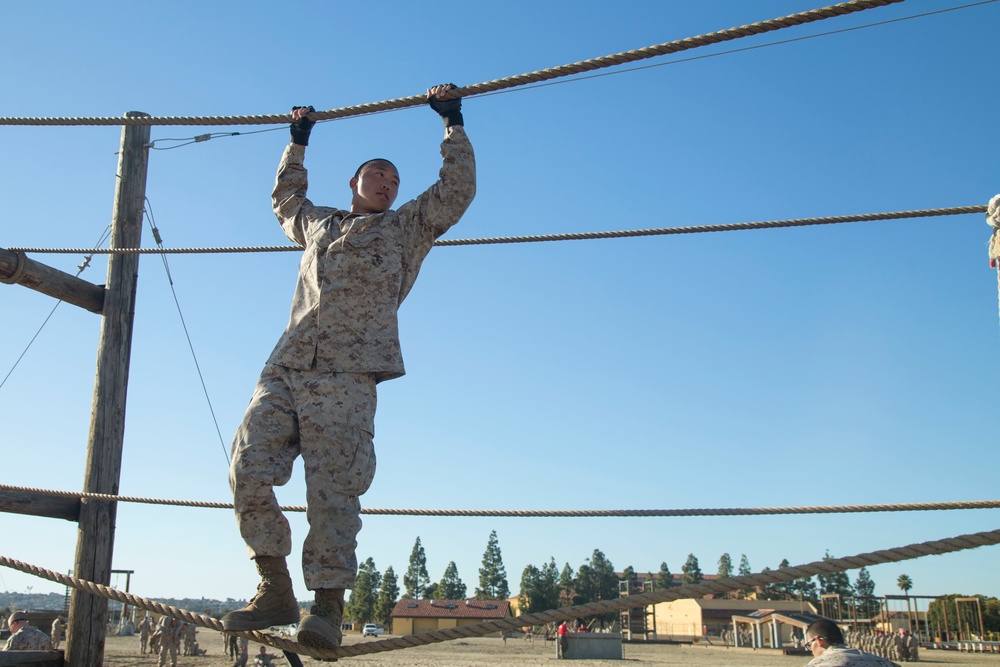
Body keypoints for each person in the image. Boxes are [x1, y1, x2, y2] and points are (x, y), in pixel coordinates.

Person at [223, 81, 476, 655]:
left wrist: (452, 125)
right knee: (247, 466)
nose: (387, 185)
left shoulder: (408, 227)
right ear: (355, 183)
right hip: (288, 363)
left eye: (394, 181)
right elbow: (286, 201)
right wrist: (298, 141)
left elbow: (456, 192)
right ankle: (274, 585)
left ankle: (327, 609)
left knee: (333, 492)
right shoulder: (319, 226)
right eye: (377, 176)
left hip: (350, 375)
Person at [804, 618, 900, 666]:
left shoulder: (819, 664)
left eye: (809, 645)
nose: (811, 651)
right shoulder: (883, 662)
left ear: (819, 641)